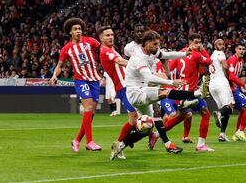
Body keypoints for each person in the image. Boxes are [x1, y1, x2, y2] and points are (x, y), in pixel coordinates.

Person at [110, 30, 203, 159]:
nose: (157, 47)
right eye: (155, 44)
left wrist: (184, 54)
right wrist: (171, 82)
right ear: (147, 43)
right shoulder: (138, 57)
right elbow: (149, 78)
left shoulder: (152, 52)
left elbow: (166, 55)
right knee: (165, 92)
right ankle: (196, 94)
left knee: (147, 127)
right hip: (135, 92)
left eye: (158, 44)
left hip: (144, 91)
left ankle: (119, 146)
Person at [50, 17, 102, 152]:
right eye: (75, 29)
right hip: (81, 80)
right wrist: (55, 75)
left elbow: (103, 51)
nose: (78, 31)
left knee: (92, 112)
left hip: (95, 80)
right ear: (70, 32)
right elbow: (60, 65)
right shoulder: (66, 49)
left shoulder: (91, 41)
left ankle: (77, 140)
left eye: (79, 29)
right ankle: (89, 142)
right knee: (88, 107)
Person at [99, 26, 141, 160]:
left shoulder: (112, 49)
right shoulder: (105, 51)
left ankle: (125, 141)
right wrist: (140, 67)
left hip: (130, 85)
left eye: (112, 34)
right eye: (107, 35)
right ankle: (120, 144)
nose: (111, 37)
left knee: (137, 119)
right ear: (101, 38)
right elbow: (120, 61)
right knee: (135, 119)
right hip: (124, 87)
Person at [169, 33, 214, 152]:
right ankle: (201, 145)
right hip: (189, 92)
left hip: (179, 91)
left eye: (200, 43)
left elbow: (170, 67)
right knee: (205, 113)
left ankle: (157, 134)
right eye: (196, 42)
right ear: (190, 43)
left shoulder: (180, 53)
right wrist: (203, 50)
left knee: (181, 117)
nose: (198, 45)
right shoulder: (196, 54)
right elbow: (209, 61)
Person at [227, 42, 246, 142]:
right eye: (240, 49)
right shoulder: (232, 59)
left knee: (244, 110)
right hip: (230, 88)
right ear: (235, 49)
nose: (242, 51)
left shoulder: (241, 61)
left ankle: (236, 133)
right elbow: (231, 76)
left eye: (243, 49)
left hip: (235, 88)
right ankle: (240, 131)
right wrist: (243, 84)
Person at [209, 39, 235, 142]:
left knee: (225, 110)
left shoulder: (211, 56)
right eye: (220, 44)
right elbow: (225, 65)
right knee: (230, 107)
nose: (223, 46)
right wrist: (227, 77)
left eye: (223, 44)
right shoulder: (220, 53)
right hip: (221, 81)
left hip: (212, 84)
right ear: (215, 46)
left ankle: (222, 134)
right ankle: (219, 113)